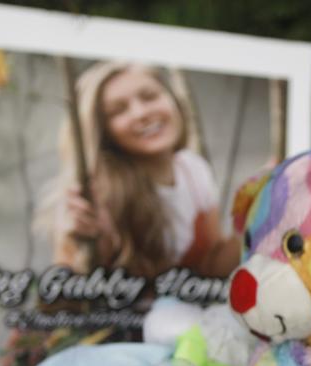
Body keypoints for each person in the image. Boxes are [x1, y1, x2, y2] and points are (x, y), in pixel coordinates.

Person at [44, 61, 241, 280]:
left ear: (173, 101)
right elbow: (61, 301)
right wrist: (70, 244)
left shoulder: (193, 170)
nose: (140, 113)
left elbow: (211, 268)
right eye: (117, 110)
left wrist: (255, 219)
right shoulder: (94, 195)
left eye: (149, 97)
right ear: (103, 131)